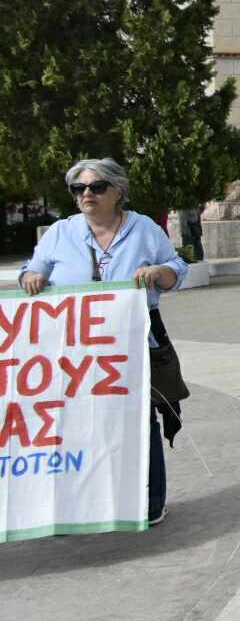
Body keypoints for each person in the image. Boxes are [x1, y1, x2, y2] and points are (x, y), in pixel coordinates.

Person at [20, 159, 189, 527]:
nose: (86, 195)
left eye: (95, 187)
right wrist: (31, 276)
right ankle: (89, 501)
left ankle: (149, 501)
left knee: (139, 420)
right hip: (74, 348)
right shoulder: (60, 232)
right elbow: (32, 270)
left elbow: (177, 267)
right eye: (78, 189)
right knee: (81, 423)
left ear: (117, 191)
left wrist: (161, 273)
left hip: (134, 342)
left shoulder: (144, 229)